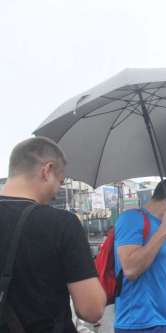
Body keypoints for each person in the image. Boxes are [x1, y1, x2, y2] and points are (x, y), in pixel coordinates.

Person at [0, 137, 106, 331]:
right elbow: (92, 309)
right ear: (47, 170)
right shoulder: (61, 223)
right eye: (60, 181)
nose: (56, 193)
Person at [114, 178, 166, 332]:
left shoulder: (157, 224)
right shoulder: (131, 219)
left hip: (161, 321)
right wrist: (163, 230)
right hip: (139, 323)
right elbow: (131, 270)